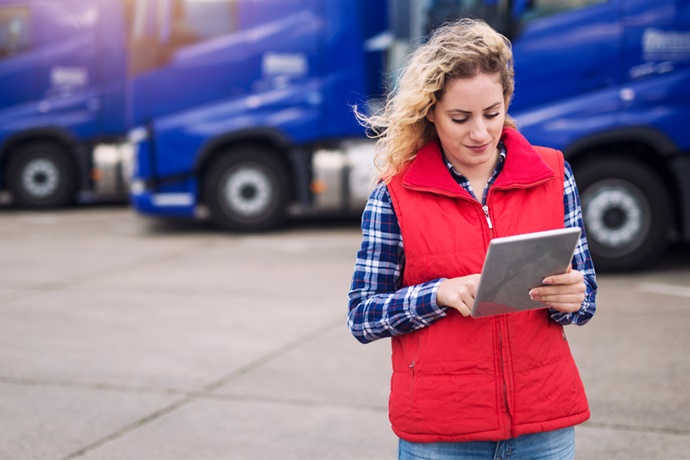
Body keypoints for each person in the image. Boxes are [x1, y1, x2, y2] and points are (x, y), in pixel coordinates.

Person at [347, 18, 597, 460]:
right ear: (430, 111)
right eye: (460, 118)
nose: (479, 133)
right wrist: (438, 294)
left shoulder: (554, 175)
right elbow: (362, 316)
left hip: (543, 425)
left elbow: (586, 297)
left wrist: (574, 298)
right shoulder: (395, 195)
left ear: (507, 101)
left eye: (492, 113)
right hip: (442, 435)